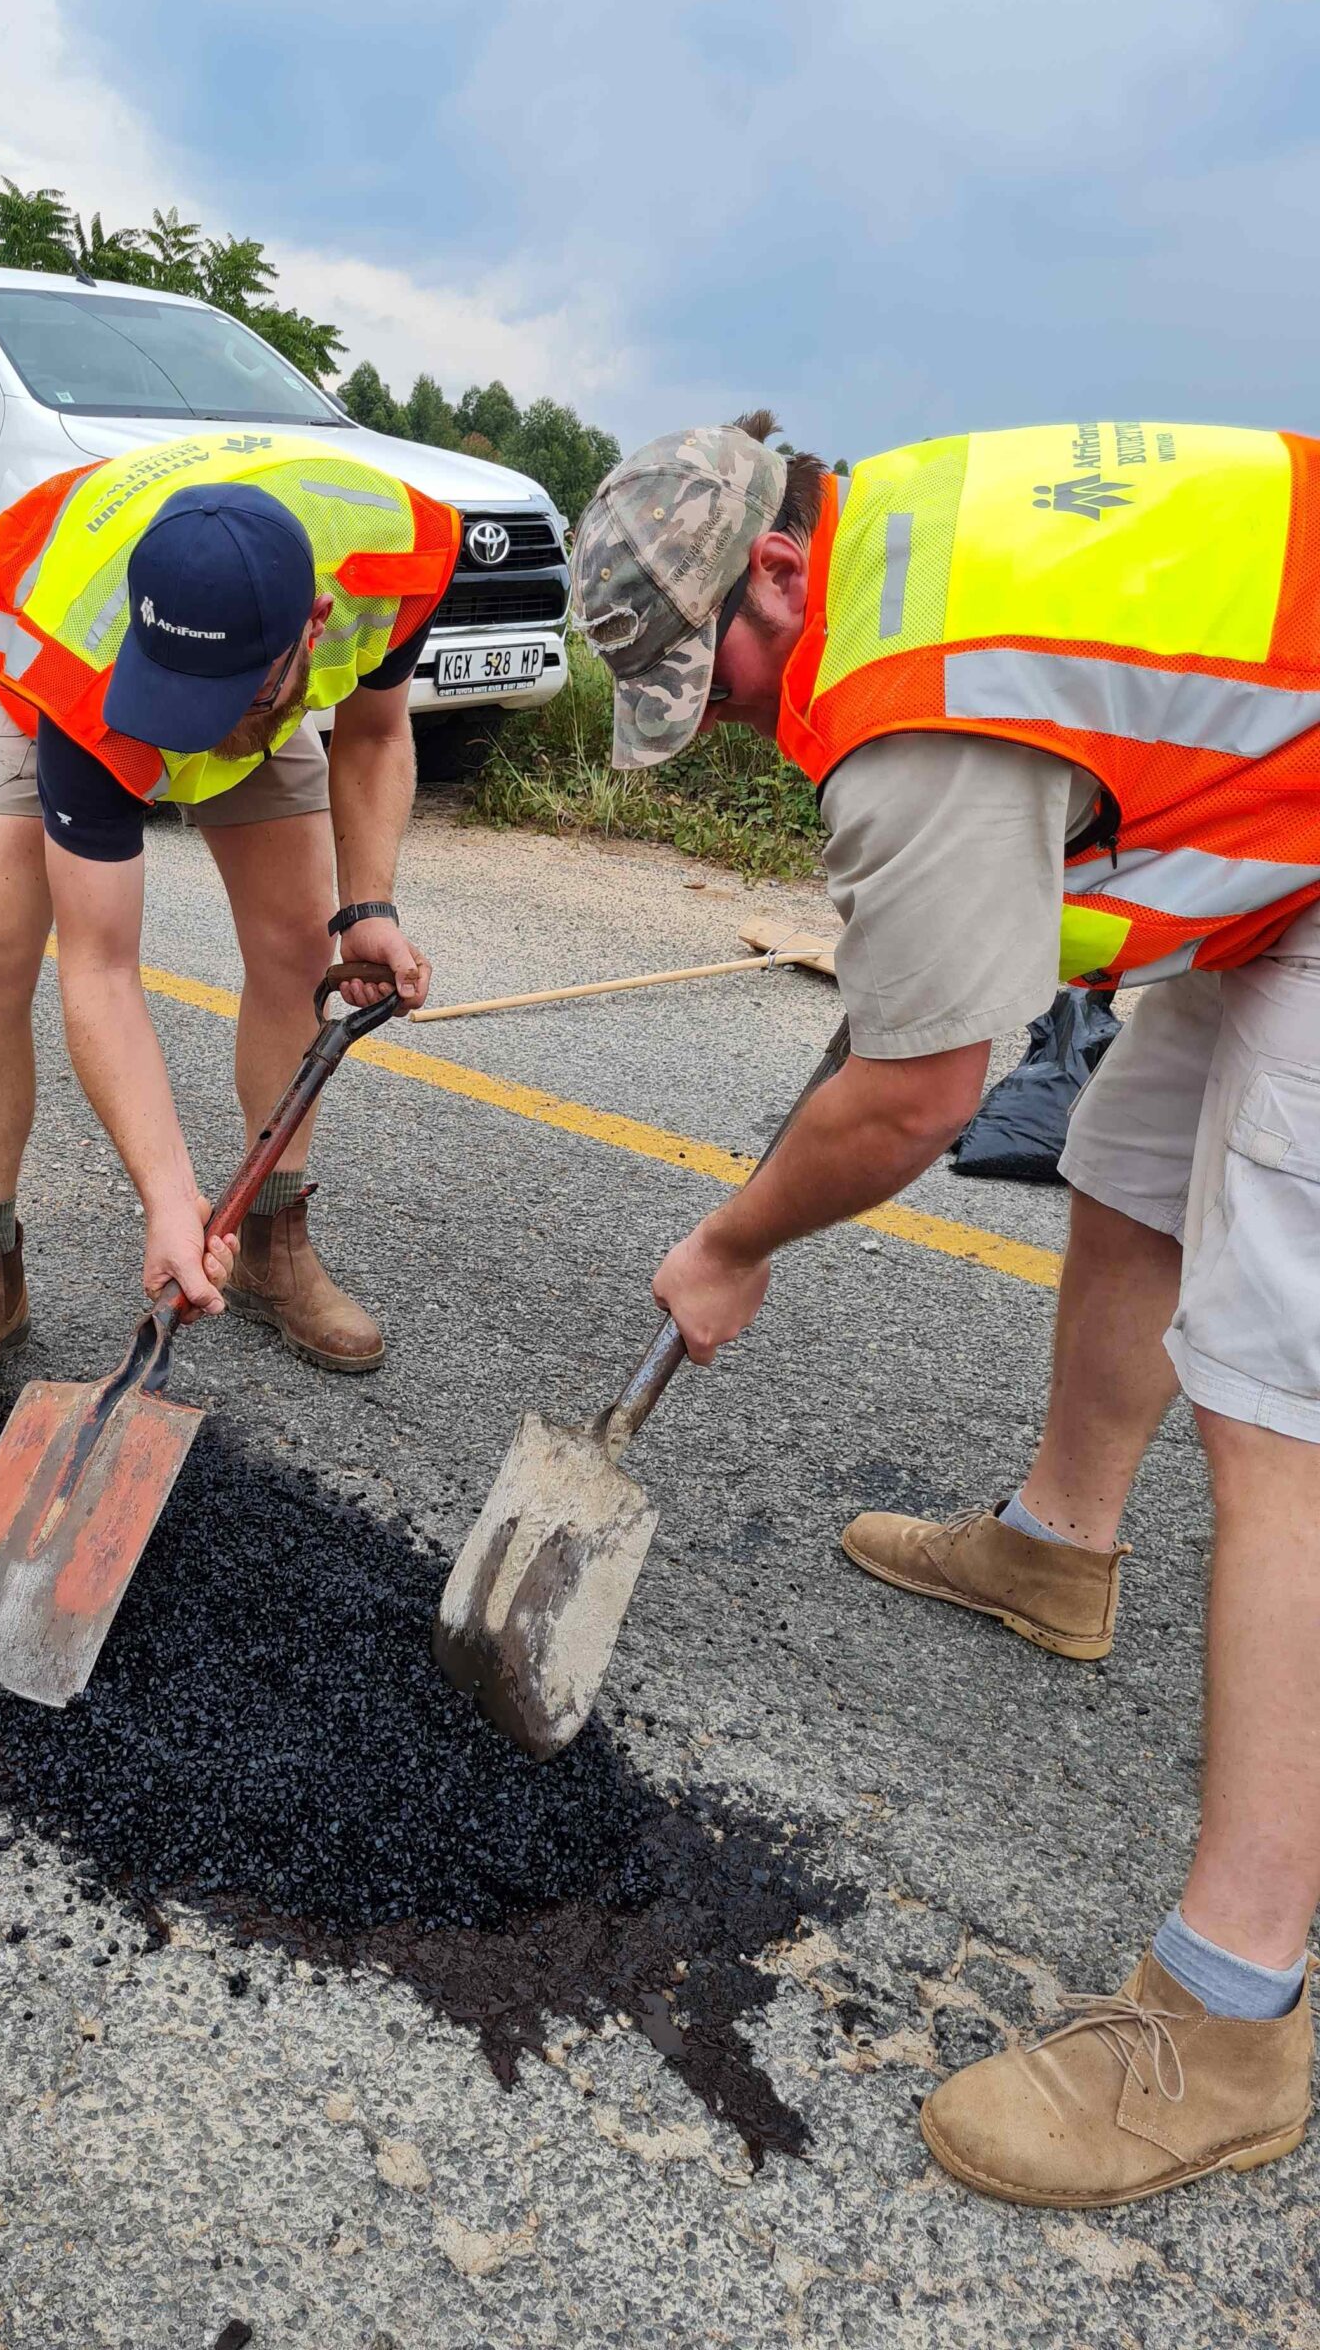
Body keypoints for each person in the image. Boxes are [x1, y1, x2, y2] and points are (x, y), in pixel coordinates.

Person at [574, 414, 1320, 2208]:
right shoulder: (902, 541)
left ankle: (1233, 2013)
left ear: (774, 571)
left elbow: (916, 1098)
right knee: (1133, 1167)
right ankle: (1057, 1551)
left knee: (1276, 1413)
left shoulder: (909, 697)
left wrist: (735, 1240)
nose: (723, 723)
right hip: (1281, 831)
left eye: (711, 682)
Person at [0, 434, 459, 1431]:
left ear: (313, 626)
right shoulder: (83, 660)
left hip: (238, 670)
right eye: (182, 707)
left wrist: (367, 910)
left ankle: (271, 1238)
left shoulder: (398, 554)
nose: (193, 740)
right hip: (80, 680)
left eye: (223, 703)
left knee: (299, 944)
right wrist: (167, 1198)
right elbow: (102, 968)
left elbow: (373, 733)